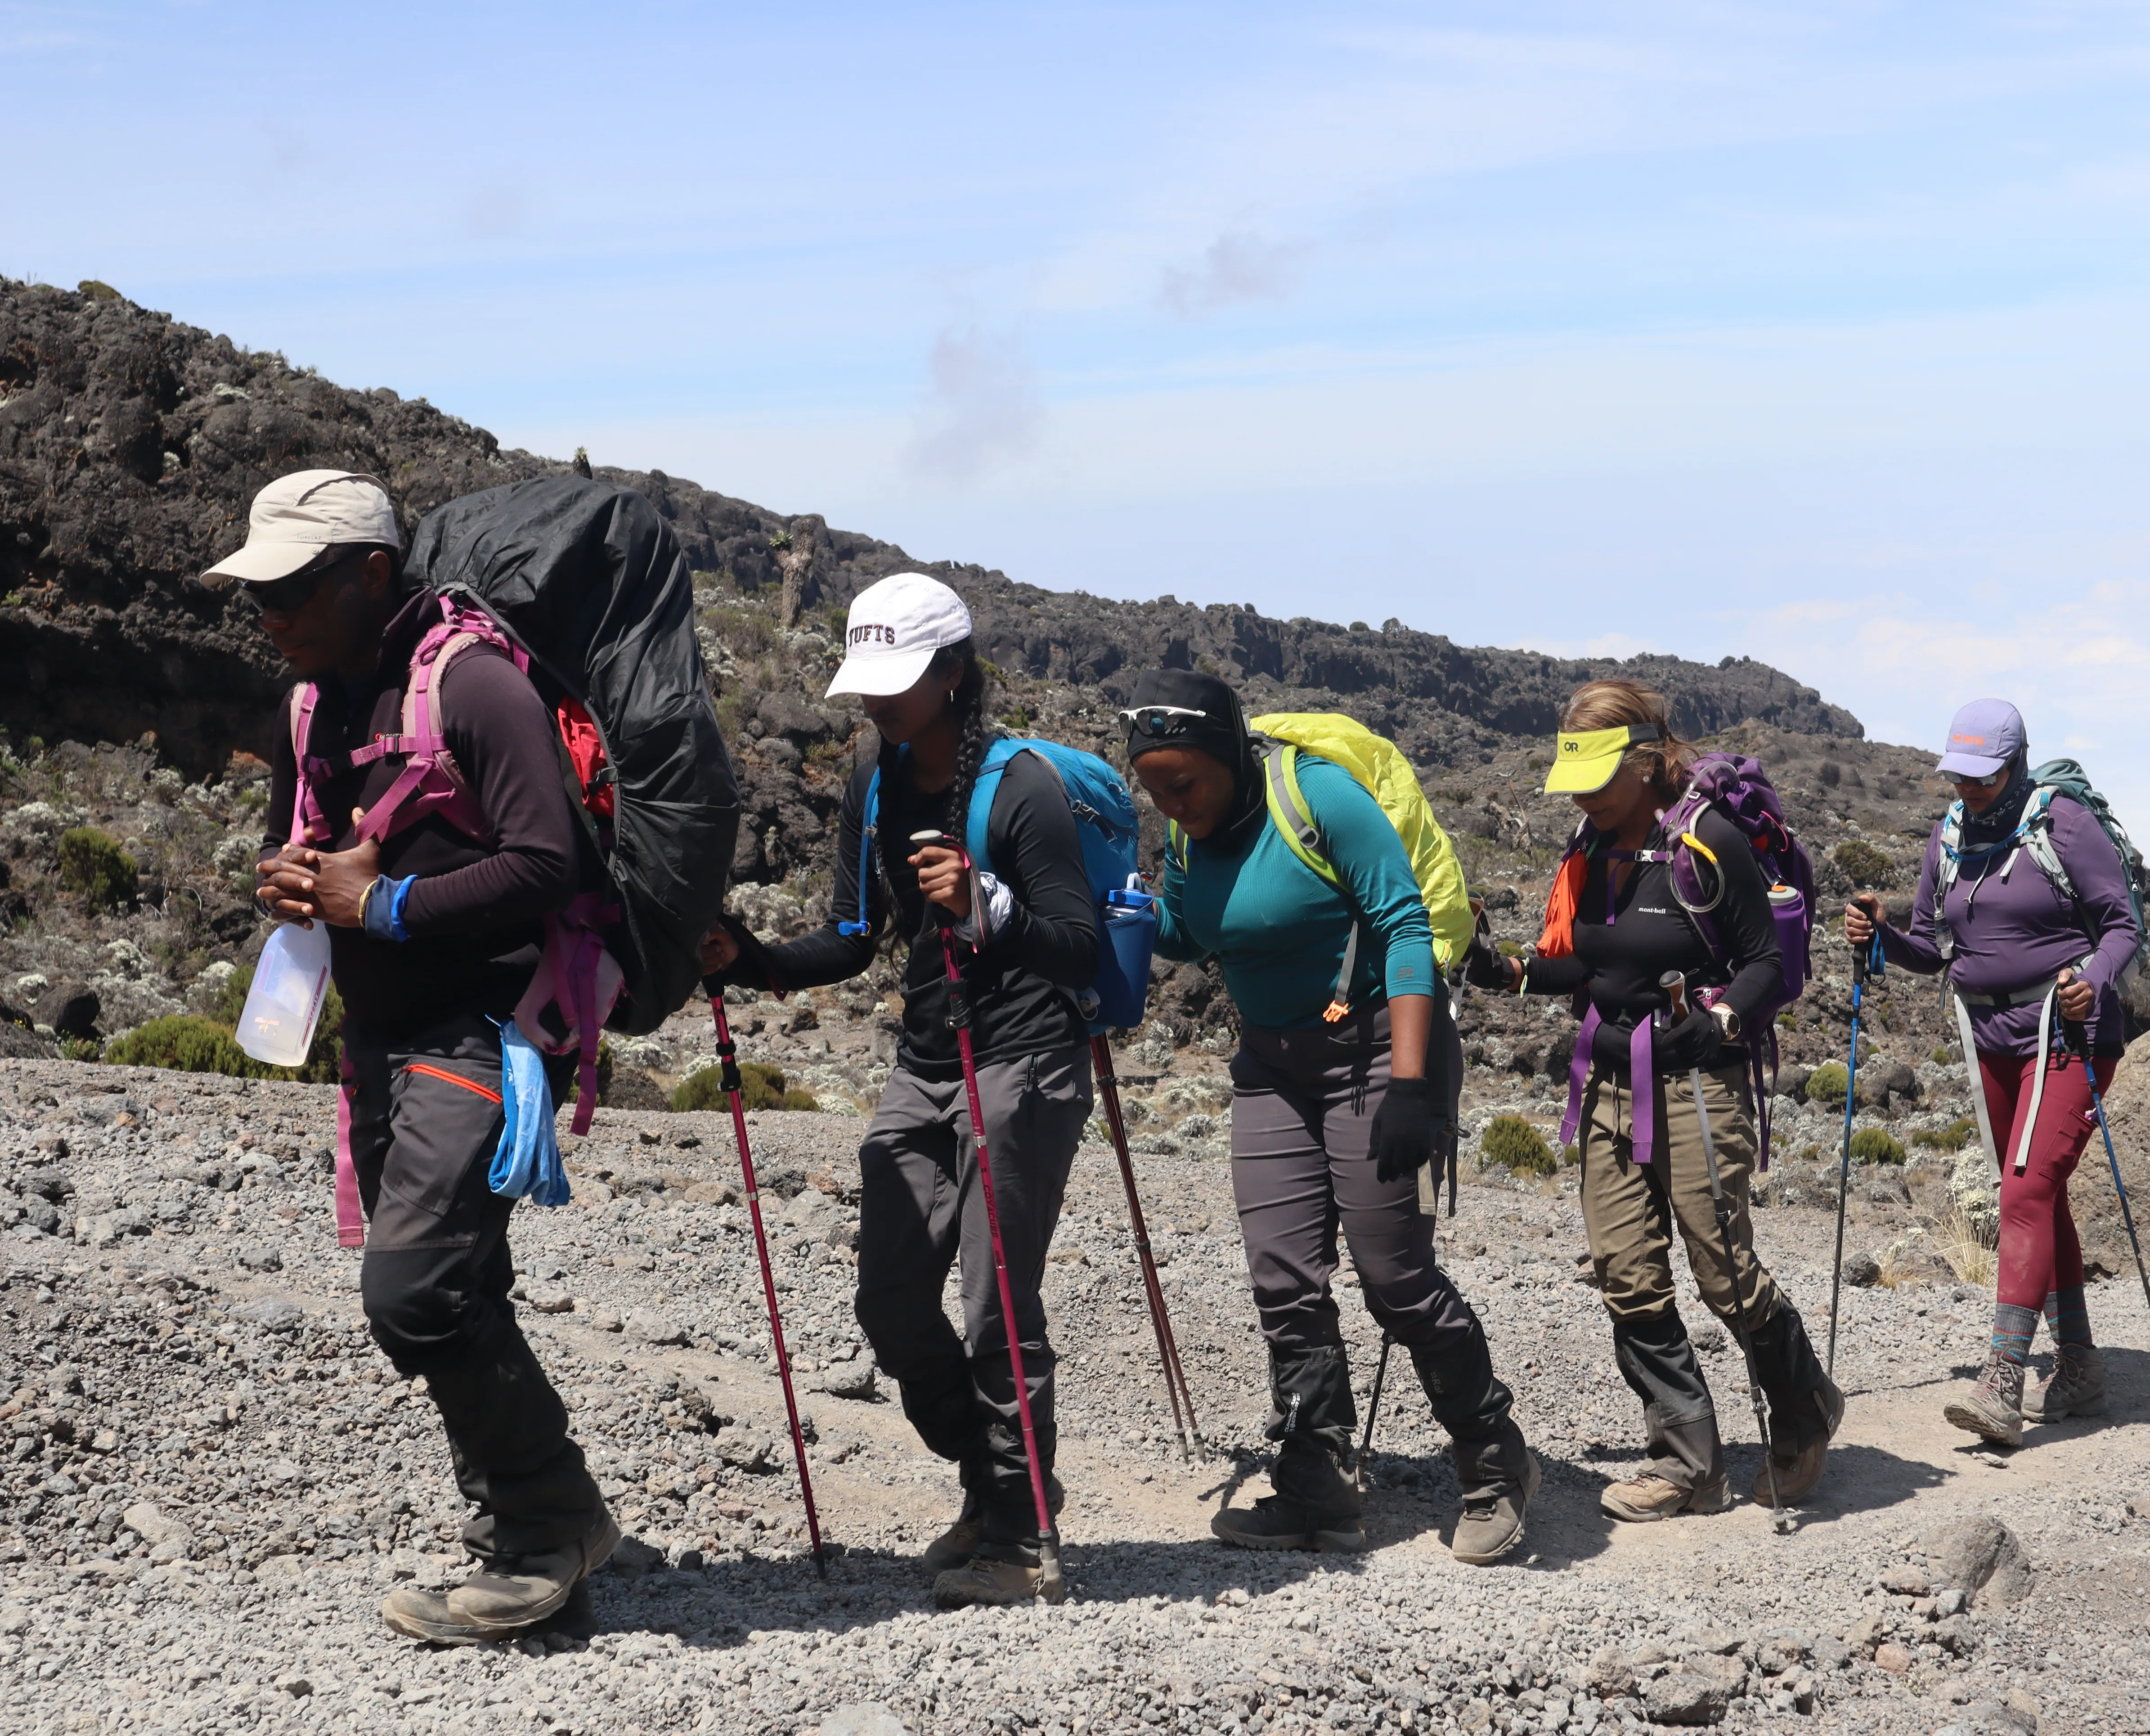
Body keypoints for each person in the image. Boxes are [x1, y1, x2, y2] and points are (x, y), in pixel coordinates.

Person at [216, 469, 617, 1643]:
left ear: (370, 573)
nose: (268, 612)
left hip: (485, 1032)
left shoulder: (476, 687)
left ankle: (554, 1522)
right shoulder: (309, 704)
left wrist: (382, 906)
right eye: (260, 590)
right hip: (380, 1038)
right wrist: (293, 878)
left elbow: (554, 864)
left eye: (291, 587)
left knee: (415, 1293)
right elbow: (312, 842)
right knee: (461, 1285)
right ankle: (525, 1550)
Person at [700, 573, 1100, 1606]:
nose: (873, 700)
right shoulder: (874, 776)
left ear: (953, 672)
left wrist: (985, 903)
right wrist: (746, 958)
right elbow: (850, 936)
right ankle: (990, 1482)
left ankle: (1022, 1534)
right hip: (927, 1060)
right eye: (867, 681)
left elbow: (1079, 945)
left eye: (897, 679)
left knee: (995, 1310)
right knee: (889, 1303)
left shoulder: (1021, 789)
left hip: (1022, 1059)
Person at [1124, 668, 1538, 1565]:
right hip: (1272, 1067)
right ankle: (1317, 1487)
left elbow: (1403, 924)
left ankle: (1493, 1458)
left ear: (1231, 753)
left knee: (1396, 1278)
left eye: (1185, 783)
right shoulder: (1189, 837)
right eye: (1155, 790)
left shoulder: (1317, 797)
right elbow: (1192, 931)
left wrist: (1411, 1085)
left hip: (1379, 1051)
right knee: (1285, 1281)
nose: (1173, 805)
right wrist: (1117, 916)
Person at [1467, 682, 1837, 1520]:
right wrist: (1510, 970)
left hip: (1697, 1084)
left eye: (1598, 779)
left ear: (1642, 763)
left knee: (1724, 1274)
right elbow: (1589, 968)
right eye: (1576, 782)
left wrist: (1718, 1023)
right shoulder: (1588, 849)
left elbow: (1765, 966)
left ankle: (1806, 1412)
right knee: (1627, 1277)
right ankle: (1686, 1463)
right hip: (1606, 1082)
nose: (1585, 797)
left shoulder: (1706, 843)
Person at [1843, 698, 2140, 1445]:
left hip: (2068, 1030)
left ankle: (2004, 1378)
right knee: (2039, 1191)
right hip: (1990, 1038)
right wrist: (1882, 936)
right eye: (1960, 775)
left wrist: (2091, 980)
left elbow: (2123, 924)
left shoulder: (2064, 824)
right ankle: (2079, 1366)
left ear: (2015, 764)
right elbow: (1932, 949)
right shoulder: (1948, 837)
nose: (1969, 789)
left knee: (2025, 1187)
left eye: (1984, 776)